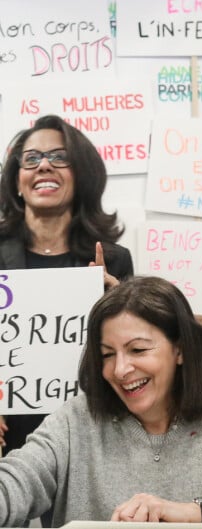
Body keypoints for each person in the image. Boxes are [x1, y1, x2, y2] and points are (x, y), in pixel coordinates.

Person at [0, 276, 202, 527]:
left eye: (138, 350)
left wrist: (191, 512)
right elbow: (15, 483)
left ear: (180, 350)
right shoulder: (76, 420)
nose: (120, 370)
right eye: (107, 355)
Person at [0, 114, 134, 455]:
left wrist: (120, 305)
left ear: (81, 176)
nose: (44, 166)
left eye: (60, 157)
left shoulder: (114, 260)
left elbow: (134, 358)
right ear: (17, 180)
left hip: (90, 440)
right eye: (31, 159)